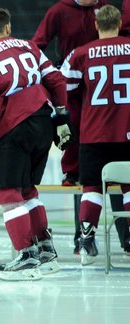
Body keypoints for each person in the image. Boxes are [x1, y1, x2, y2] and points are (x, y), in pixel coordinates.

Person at [0, 8, 70, 281]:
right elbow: (56, 79)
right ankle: (46, 251)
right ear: (8, 28)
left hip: (14, 125)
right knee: (28, 190)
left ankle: (26, 255)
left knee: (8, 193)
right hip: (43, 120)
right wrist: (61, 115)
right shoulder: (29, 46)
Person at [31, 0, 121, 255]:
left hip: (96, 91)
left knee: (96, 178)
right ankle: (71, 172)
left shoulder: (100, 14)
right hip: (86, 87)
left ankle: (105, 238)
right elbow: (38, 44)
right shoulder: (59, 11)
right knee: (77, 133)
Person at [60, 4, 130, 266]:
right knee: (129, 187)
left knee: (91, 188)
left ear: (96, 25)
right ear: (121, 23)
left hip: (94, 133)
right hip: (127, 133)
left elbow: (65, 90)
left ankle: (86, 242)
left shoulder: (81, 54)